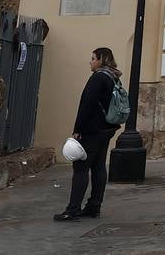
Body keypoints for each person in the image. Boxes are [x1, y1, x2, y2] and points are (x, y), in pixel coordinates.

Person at [54, 47, 122, 221]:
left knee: (81, 168)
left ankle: (73, 209)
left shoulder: (98, 78)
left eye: (93, 58)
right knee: (99, 166)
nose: (90, 62)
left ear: (101, 60)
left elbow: (87, 104)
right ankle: (94, 205)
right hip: (107, 128)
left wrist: (78, 129)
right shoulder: (113, 77)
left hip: (92, 129)